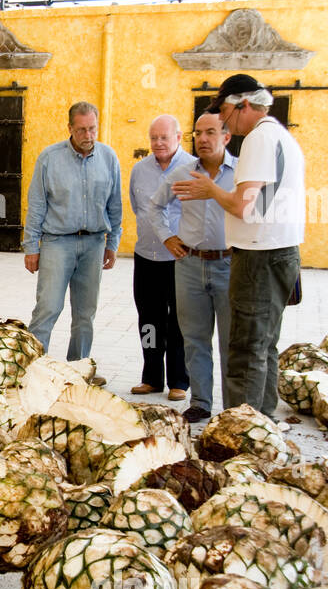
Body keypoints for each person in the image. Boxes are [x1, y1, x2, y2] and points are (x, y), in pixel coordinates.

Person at [172, 74, 304, 418]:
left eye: (226, 114)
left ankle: (242, 430)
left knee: (245, 348)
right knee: (265, 344)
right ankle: (265, 420)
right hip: (281, 250)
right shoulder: (282, 136)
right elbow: (262, 203)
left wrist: (211, 191)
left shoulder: (259, 140)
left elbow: (244, 206)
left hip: (259, 256)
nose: (227, 122)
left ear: (242, 105)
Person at [148, 111, 237, 423]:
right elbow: (154, 206)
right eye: (197, 133)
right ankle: (200, 402)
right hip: (189, 265)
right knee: (195, 339)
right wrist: (167, 237)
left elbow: (258, 210)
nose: (202, 139)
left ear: (226, 136)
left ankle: (234, 409)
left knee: (230, 341)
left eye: (210, 132)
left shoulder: (241, 173)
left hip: (229, 265)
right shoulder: (183, 172)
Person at [24, 101, 122, 380]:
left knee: (85, 313)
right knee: (48, 308)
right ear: (69, 128)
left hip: (94, 244)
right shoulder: (49, 158)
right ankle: (32, 371)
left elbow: (115, 206)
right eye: (81, 129)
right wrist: (32, 247)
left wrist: (112, 243)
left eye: (92, 129)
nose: (88, 135)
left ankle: (78, 371)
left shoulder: (108, 158)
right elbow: (37, 205)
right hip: (57, 242)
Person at [128, 114, 190, 401]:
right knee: (149, 321)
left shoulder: (192, 168)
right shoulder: (139, 170)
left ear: (178, 137)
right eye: (154, 137)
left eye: (164, 137)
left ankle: (179, 380)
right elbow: (137, 207)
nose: (158, 143)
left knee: (179, 321)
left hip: (179, 260)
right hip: (146, 257)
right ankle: (151, 377)